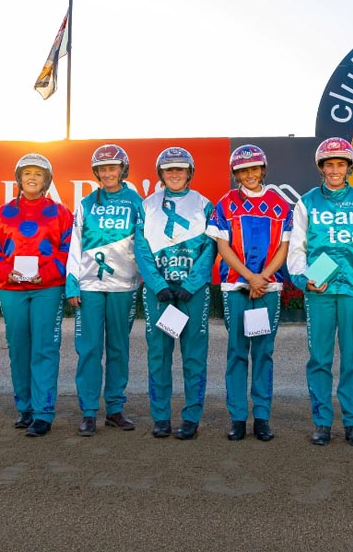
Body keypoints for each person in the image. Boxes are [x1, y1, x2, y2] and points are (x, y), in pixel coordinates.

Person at [287, 137, 353, 447]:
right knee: (319, 358)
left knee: (352, 357)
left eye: (340, 164)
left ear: (348, 167)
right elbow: (297, 248)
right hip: (319, 291)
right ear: (321, 167)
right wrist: (304, 279)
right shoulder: (306, 202)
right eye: (329, 164)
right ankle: (322, 422)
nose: (334, 170)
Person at [0, 153, 73, 438]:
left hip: (48, 288)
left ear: (47, 180)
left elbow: (68, 249)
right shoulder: (1, 213)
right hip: (12, 289)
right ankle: (25, 408)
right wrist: (5, 271)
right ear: (19, 179)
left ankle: (44, 412)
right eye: (27, 173)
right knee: (18, 348)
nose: (32, 178)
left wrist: (45, 274)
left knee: (45, 348)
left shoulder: (61, 213)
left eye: (38, 174)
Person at [206, 144, 292, 442]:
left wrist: (262, 279)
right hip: (236, 288)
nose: (250, 175)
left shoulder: (280, 204)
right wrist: (250, 278)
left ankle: (262, 417)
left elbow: (284, 247)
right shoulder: (226, 203)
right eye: (243, 171)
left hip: (268, 288)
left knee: (264, 352)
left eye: (254, 168)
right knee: (237, 352)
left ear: (263, 170)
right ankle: (238, 417)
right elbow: (222, 246)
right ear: (236, 174)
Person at [134, 147, 216, 441]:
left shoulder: (204, 204)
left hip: (192, 293)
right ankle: (161, 417)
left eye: (180, 169)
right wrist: (158, 285)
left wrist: (190, 285)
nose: (175, 174)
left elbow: (211, 247)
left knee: (194, 356)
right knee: (159, 355)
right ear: (161, 173)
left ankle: (191, 418)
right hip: (160, 293)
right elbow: (141, 248)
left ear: (189, 172)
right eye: (169, 170)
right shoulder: (147, 205)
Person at [66, 144, 142, 436]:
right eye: (102, 169)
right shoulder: (86, 203)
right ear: (96, 173)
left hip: (123, 286)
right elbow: (75, 243)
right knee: (89, 349)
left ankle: (115, 409)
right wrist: (72, 282)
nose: (108, 173)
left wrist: (143, 279)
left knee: (118, 349)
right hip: (89, 286)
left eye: (113, 168)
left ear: (123, 169)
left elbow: (144, 244)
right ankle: (88, 412)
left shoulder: (137, 202)